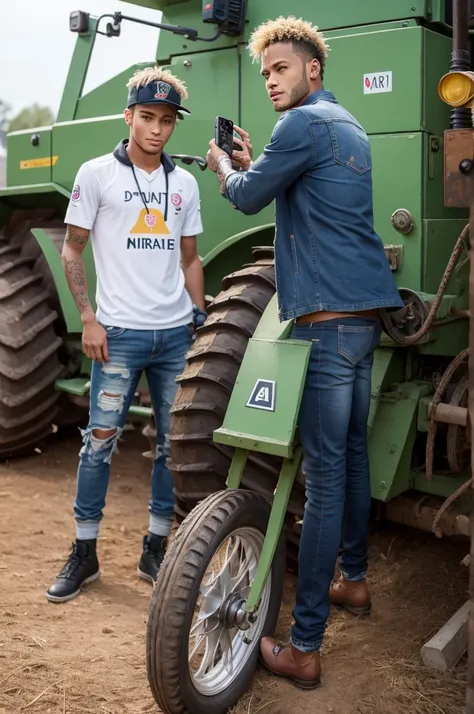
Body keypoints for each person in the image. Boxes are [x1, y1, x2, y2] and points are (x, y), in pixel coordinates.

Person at [206, 16, 404, 688]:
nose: (270, 81)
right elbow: (304, 193)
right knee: (348, 457)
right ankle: (353, 579)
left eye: (281, 70)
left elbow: (247, 198)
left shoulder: (300, 128)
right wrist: (259, 157)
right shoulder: (345, 125)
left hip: (325, 323)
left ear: (313, 69)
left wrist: (223, 168)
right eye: (264, 74)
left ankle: (307, 645)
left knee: (321, 479)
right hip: (364, 316)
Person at [46, 66, 206, 603]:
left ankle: (155, 548)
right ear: (128, 116)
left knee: (170, 447)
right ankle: (84, 552)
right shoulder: (96, 175)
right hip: (117, 334)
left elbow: (190, 258)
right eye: (147, 118)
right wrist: (88, 318)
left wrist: (199, 314)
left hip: (174, 338)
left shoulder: (184, 183)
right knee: (100, 442)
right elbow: (72, 249)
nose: (157, 129)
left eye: (165, 121)